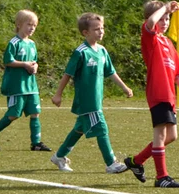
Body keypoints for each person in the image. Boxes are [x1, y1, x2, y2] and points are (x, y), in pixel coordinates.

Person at [123, 0, 179, 188]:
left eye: (167, 19)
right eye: (161, 18)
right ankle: (161, 177)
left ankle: (136, 161)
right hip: (157, 93)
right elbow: (150, 24)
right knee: (160, 135)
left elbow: (176, 73)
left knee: (172, 136)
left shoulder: (168, 43)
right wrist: (165, 7)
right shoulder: (151, 39)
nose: (164, 22)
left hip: (169, 95)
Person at [49, 13, 133, 173]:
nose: (100, 31)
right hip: (87, 101)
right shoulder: (81, 52)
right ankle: (111, 163)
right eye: (96, 29)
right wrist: (58, 94)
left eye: (102, 28)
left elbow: (111, 72)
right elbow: (68, 73)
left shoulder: (102, 51)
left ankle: (59, 156)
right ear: (85, 33)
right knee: (101, 128)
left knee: (79, 129)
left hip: (96, 99)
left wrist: (124, 87)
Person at [0, 9, 52, 152]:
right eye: (29, 24)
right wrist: (24, 64)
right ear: (19, 24)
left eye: (34, 25)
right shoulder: (14, 43)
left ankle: (36, 143)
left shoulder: (32, 44)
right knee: (13, 114)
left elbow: (34, 61)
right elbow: (8, 61)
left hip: (31, 86)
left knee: (35, 112)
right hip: (17, 86)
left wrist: (34, 66)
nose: (32, 28)